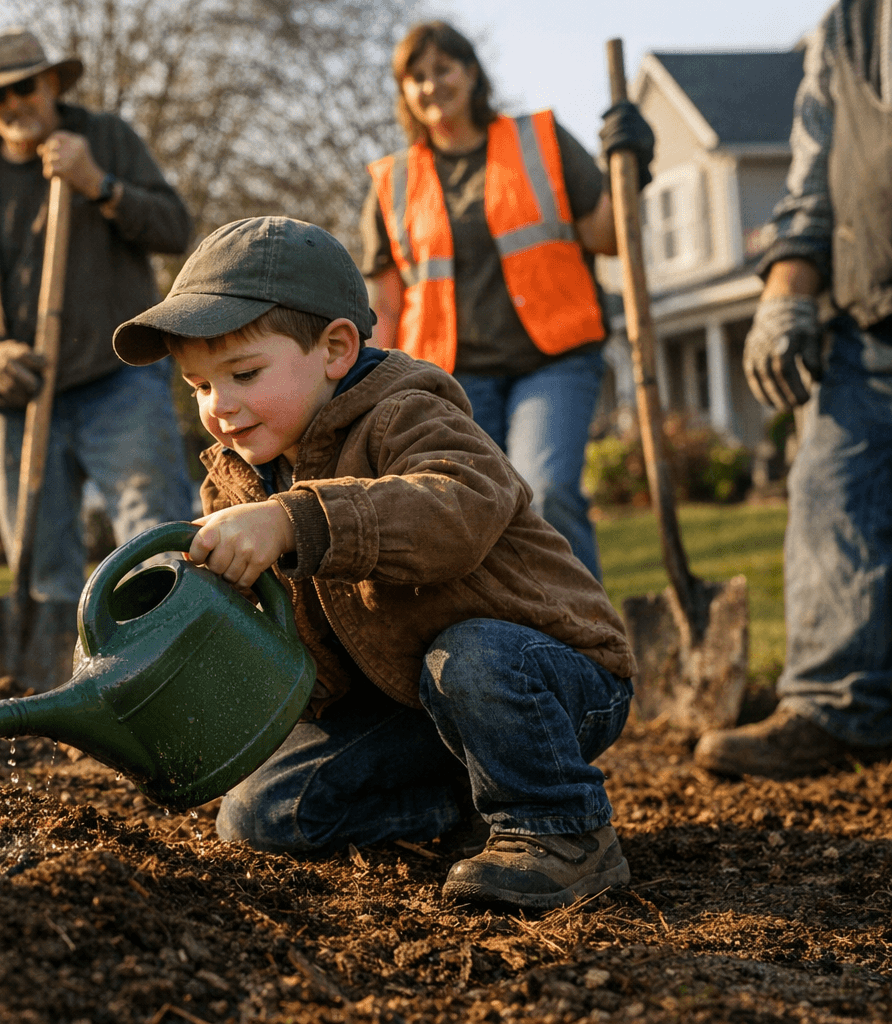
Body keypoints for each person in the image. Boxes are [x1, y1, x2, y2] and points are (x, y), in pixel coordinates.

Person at [113, 216, 637, 909]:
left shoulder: (407, 414)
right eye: (199, 386)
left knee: (471, 656)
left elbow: (459, 508)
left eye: (243, 373)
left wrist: (293, 521)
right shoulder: (239, 479)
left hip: (547, 677)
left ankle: (561, 830)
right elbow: (283, 641)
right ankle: (466, 804)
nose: (221, 407)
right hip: (409, 700)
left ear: (335, 349)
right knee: (259, 817)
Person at [0, 28, 196, 687]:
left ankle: (170, 685)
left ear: (50, 84)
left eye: (23, 87)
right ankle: (60, 702)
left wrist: (98, 184)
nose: (12, 104)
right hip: (19, 403)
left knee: (152, 542)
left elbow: (174, 229)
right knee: (41, 569)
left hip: (117, 384)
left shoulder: (105, 139)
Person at [361, 21, 655, 581]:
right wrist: (370, 390)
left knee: (545, 490)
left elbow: (608, 236)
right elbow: (387, 305)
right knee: (467, 513)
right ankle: (515, 637)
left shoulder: (538, 140)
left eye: (442, 69)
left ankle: (585, 638)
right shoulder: (393, 181)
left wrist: (632, 167)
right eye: (415, 77)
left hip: (553, 358)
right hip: (450, 377)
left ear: (471, 73)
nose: (430, 86)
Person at [695, 0, 892, 779]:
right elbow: (815, 169)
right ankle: (839, 711)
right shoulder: (850, 23)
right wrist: (785, 291)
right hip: (870, 309)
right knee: (830, 495)